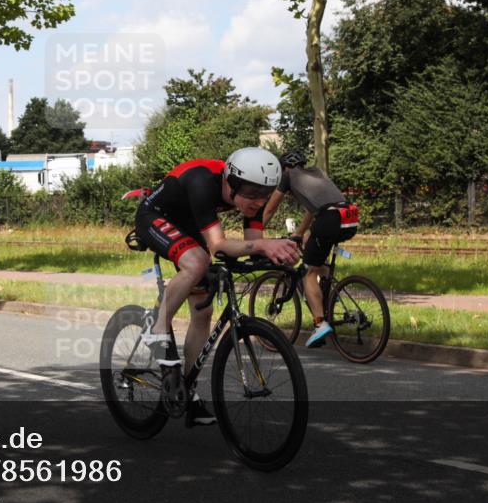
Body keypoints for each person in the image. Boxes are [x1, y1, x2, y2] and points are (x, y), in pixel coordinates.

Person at [134, 148, 301, 427]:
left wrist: (280, 252)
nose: (257, 201)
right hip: (155, 216)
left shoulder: (254, 200)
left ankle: (186, 391)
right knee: (198, 261)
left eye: (265, 193)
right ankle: (158, 326)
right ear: (230, 181)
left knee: (203, 310)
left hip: (189, 224)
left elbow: (252, 244)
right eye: (249, 192)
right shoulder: (203, 181)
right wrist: (263, 244)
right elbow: (219, 245)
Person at [261, 150, 359, 348]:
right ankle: (331, 296)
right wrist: (299, 233)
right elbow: (312, 210)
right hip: (349, 216)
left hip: (329, 219)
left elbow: (270, 208)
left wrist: (255, 234)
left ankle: (320, 324)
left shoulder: (288, 176)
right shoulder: (316, 173)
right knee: (315, 252)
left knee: (308, 272)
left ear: (284, 167)